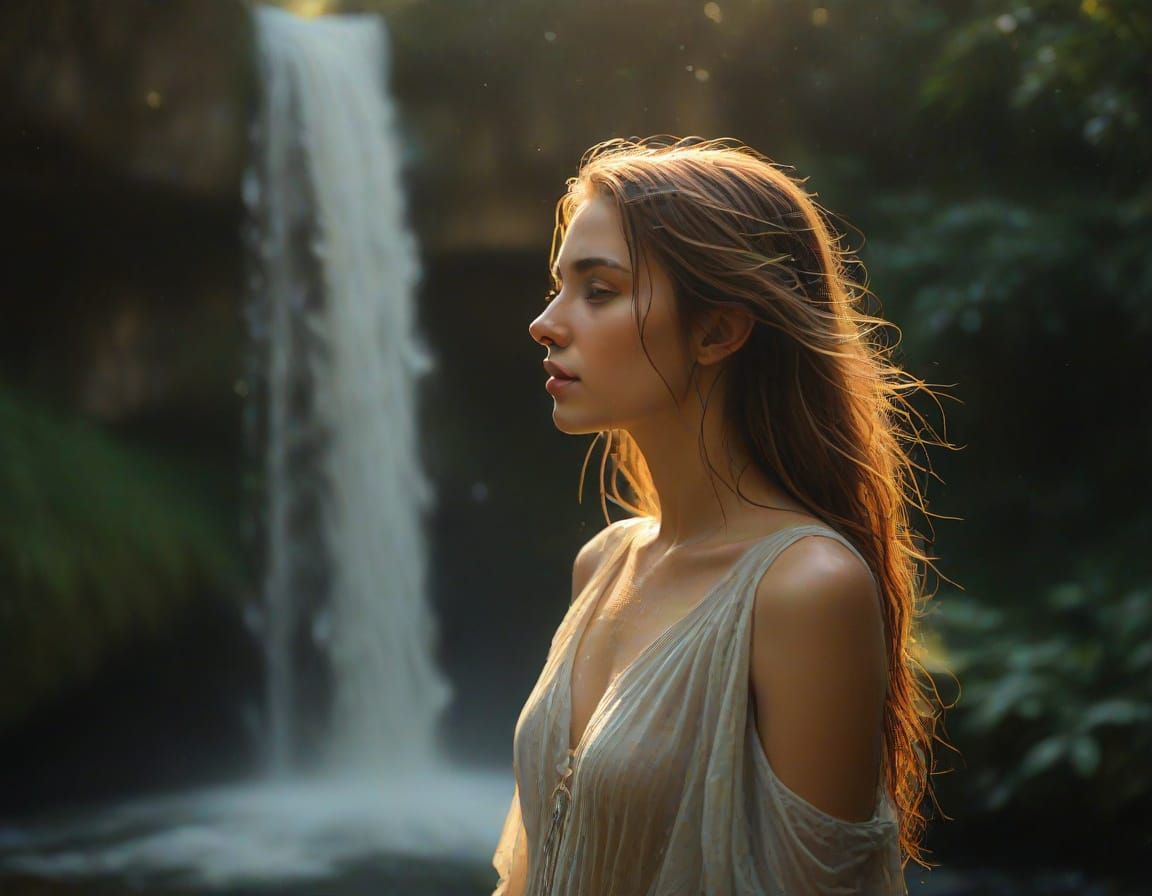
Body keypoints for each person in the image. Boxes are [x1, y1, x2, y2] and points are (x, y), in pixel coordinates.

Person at [493, 136, 947, 895]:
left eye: (598, 291)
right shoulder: (605, 564)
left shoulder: (804, 588)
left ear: (717, 331)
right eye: (559, 286)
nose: (546, 322)